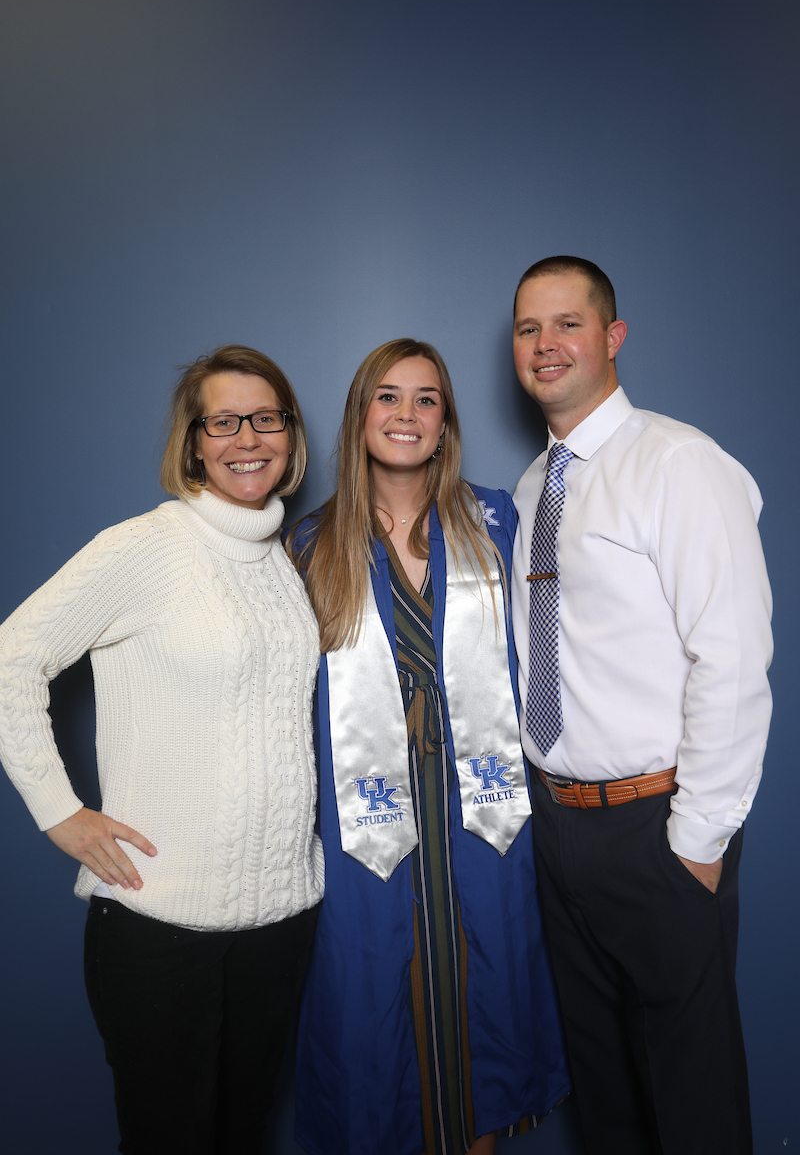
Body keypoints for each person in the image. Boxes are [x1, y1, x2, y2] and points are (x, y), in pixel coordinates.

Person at [0, 345, 323, 1155]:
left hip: (280, 920)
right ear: (195, 441)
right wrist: (60, 811)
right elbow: (12, 657)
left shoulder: (280, 559)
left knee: (243, 1134)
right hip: (160, 925)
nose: (247, 437)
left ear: (291, 434)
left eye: (267, 418)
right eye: (224, 421)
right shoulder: (147, 545)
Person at [510, 256, 773, 1155]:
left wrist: (698, 840)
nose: (546, 346)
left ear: (612, 338)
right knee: (607, 1101)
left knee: (692, 1102)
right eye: (527, 329)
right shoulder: (531, 489)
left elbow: (733, 658)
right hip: (560, 829)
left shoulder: (678, 463)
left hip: (656, 825)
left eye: (567, 324)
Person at [288, 338, 570, 1155]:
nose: (405, 415)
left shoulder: (496, 522)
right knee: (381, 992)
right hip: (366, 807)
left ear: (445, 425)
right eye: (387, 397)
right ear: (359, 416)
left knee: (481, 991)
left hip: (481, 803)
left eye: (425, 399)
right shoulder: (310, 544)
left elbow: (550, 653)